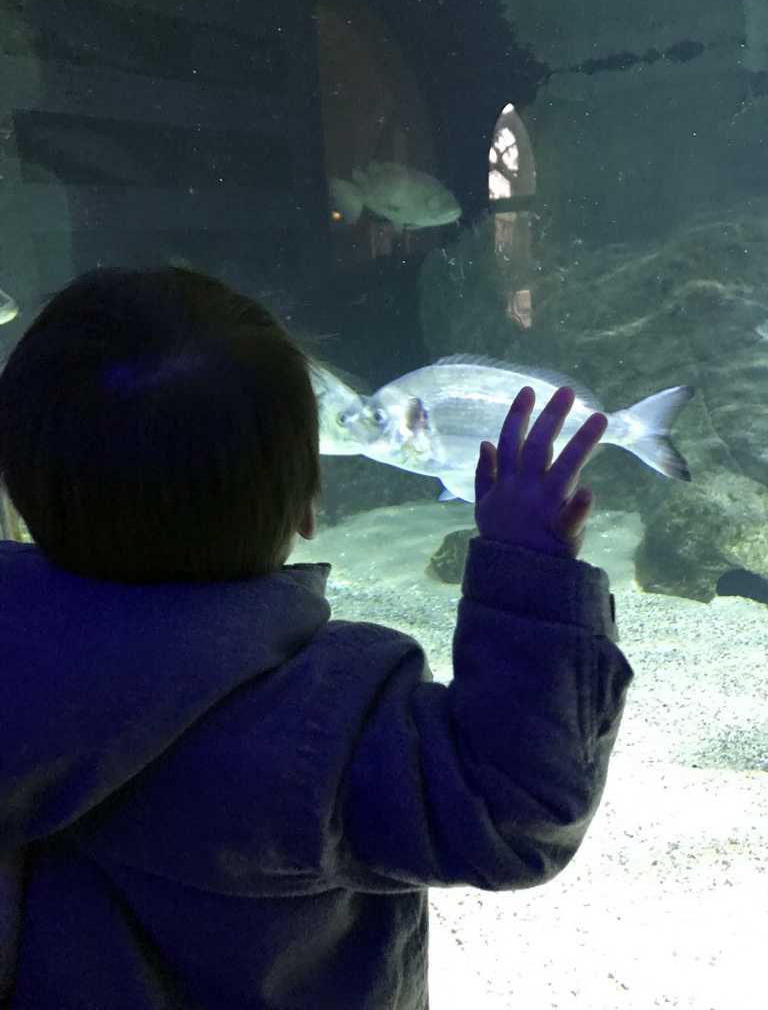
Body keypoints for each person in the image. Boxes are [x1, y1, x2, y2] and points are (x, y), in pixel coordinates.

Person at [0, 266, 632, 1010]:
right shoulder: (327, 729)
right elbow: (518, 809)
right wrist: (529, 571)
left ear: (20, 489)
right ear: (309, 505)